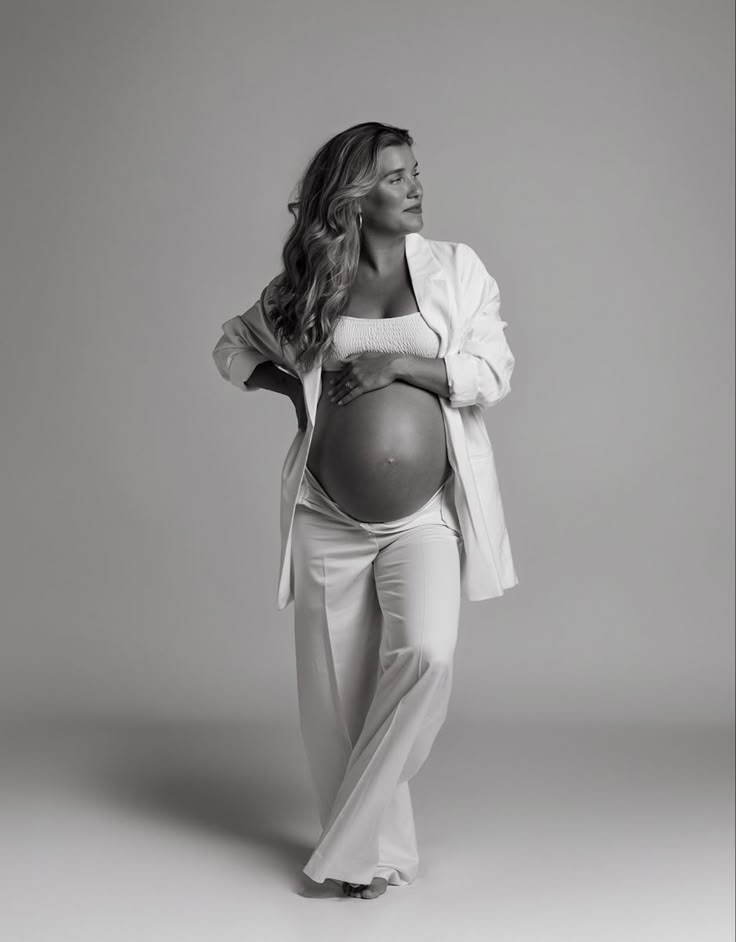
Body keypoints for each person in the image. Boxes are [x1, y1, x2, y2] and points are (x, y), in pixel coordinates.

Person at [212, 121, 518, 900]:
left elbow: (493, 369)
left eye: (416, 172)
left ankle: (343, 845)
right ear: (353, 197)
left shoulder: (454, 270)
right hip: (327, 515)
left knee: (429, 658)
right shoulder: (310, 286)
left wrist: (401, 363)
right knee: (336, 708)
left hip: (422, 518)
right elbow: (232, 346)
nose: (416, 187)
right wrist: (288, 388)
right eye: (395, 177)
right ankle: (369, 863)